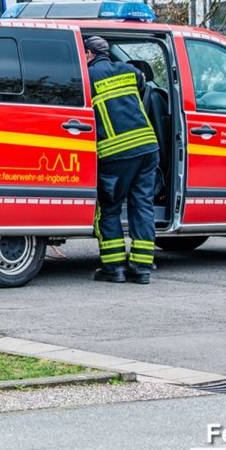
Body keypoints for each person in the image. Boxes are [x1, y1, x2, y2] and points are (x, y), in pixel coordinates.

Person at [84, 35, 160, 284]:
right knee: (143, 207)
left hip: (116, 153)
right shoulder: (129, 71)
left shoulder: (88, 77)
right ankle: (141, 268)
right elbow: (143, 82)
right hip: (147, 149)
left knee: (109, 210)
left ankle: (114, 268)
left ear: (88, 54)